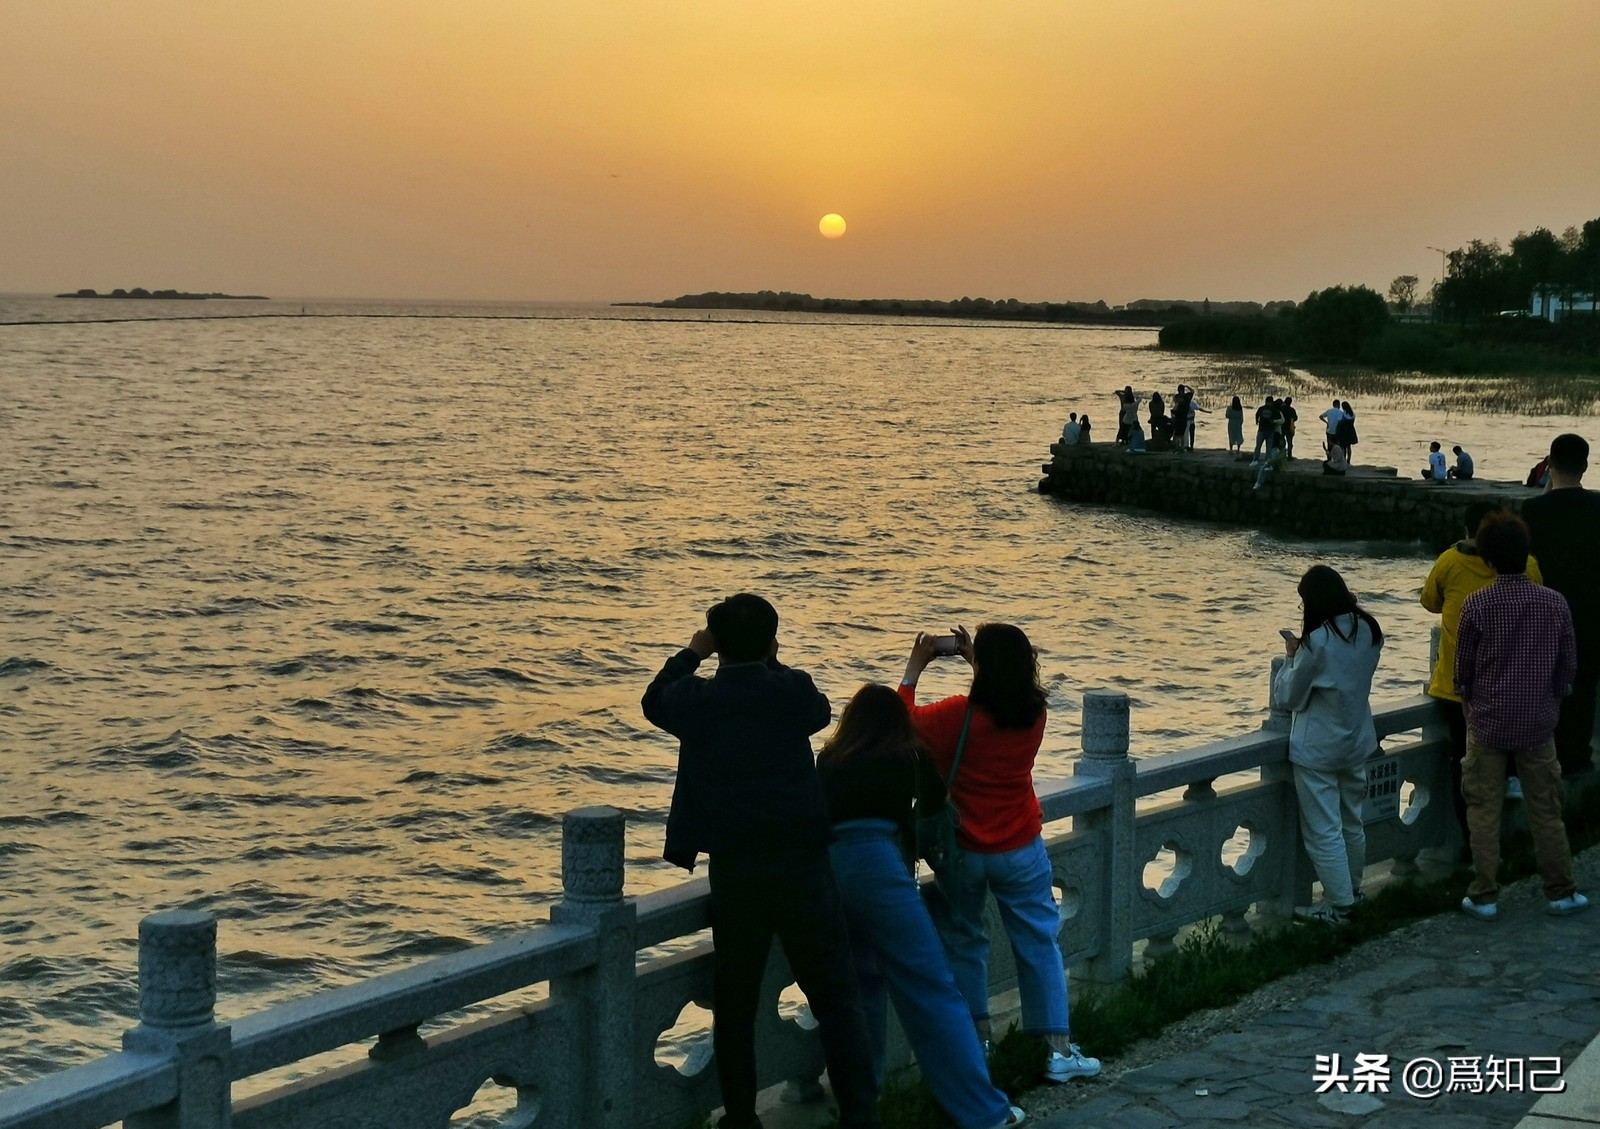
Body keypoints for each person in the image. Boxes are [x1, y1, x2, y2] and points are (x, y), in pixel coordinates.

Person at [641, 594, 881, 1129]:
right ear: (773, 643)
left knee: (736, 1002)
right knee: (835, 995)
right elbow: (819, 711)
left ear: (717, 643)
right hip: (804, 865)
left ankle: (742, 1119)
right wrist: (768, 658)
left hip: (738, 867)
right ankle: (862, 1115)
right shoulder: (792, 691)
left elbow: (654, 699)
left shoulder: (699, 700)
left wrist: (692, 652)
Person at [898, 624, 1100, 1085]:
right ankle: (1056, 1050)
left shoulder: (954, 715)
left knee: (967, 942)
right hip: (1021, 847)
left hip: (965, 851)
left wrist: (916, 667)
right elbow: (1005, 693)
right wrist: (979, 660)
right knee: (1038, 942)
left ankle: (979, 1044)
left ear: (983, 666)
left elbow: (900, 720)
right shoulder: (1036, 713)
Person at [817, 686, 1026, 1129]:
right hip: (880, 867)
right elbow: (936, 805)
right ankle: (983, 1111)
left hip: (832, 874)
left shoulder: (829, 761)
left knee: (861, 989)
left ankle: (862, 1106)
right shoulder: (910, 759)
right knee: (932, 990)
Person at [1456, 514, 1588, 920]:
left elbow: (1463, 672)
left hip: (1488, 722)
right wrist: (1553, 699)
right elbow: (1568, 666)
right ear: (1525, 554)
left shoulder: (1476, 604)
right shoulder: (1554, 602)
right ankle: (1560, 891)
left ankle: (1485, 894)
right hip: (1538, 723)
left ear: (1489, 560)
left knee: (1483, 810)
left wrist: (1472, 704)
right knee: (1546, 809)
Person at [1422, 502, 1543, 845]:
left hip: (1455, 688)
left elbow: (1430, 601)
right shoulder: (1528, 566)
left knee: (1466, 766)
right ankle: (1511, 838)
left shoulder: (1449, 561)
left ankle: (1470, 845)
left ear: (1467, 530)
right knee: (1509, 762)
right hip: (1512, 685)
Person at [1272, 566, 1384, 923]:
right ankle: (1352, 890)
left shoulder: (1317, 642)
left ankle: (1341, 907)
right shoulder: (1369, 629)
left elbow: (1288, 695)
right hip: (1355, 738)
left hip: (1318, 748)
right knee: (1352, 820)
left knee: (1324, 829)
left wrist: (1291, 656)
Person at [1521, 433, 1600, 776]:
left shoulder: (1534, 508)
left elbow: (1526, 556)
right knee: (1583, 684)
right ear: (1585, 466)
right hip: (1589, 609)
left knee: (1542, 682)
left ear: (1549, 463)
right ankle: (1576, 756)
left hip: (1543, 609)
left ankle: (1542, 751)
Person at [1250, 395, 1277, 464]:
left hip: (1261, 429)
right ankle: (1267, 461)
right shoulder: (1274, 409)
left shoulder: (1261, 408)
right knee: (1269, 447)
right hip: (1270, 430)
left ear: (1266, 401)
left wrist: (1257, 421)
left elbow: (1257, 415)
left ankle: (1255, 460)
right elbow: (1277, 418)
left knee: (1258, 445)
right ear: (1272, 402)